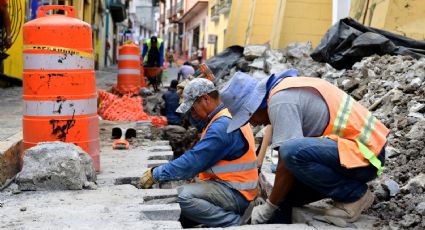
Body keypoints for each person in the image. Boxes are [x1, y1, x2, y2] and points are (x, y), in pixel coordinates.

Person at [220, 69, 389, 224]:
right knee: (287, 197)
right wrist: (276, 200)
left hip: (366, 156)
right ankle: (347, 191)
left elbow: (287, 159)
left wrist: (269, 206)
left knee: (291, 153)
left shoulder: (280, 102)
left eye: (249, 119)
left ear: (252, 109)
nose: (254, 124)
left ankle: (354, 195)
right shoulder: (281, 91)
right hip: (352, 156)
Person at [135, 78, 258, 227]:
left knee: (182, 197)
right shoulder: (223, 116)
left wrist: (156, 173)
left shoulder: (222, 126)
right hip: (232, 188)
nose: (192, 114)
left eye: (193, 108)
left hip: (237, 194)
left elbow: (193, 162)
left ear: (205, 99)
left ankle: (235, 223)